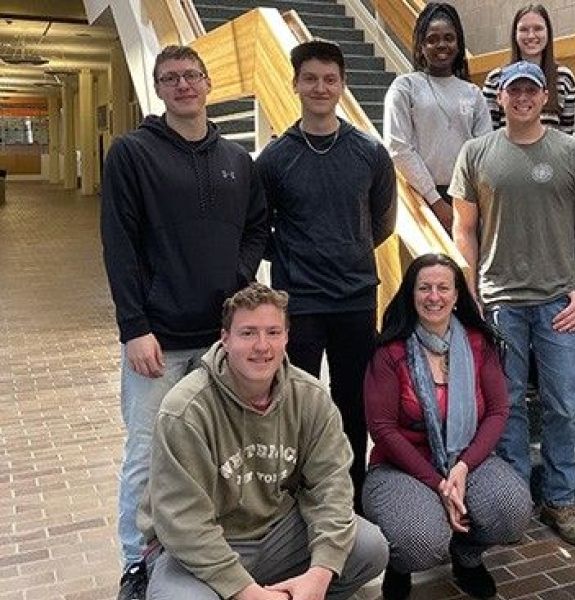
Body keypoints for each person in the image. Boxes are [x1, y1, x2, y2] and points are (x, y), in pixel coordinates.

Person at [100, 44, 268, 600]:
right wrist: (133, 326)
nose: (183, 85)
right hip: (160, 341)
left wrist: (238, 281)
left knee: (221, 453)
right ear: (159, 88)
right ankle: (137, 563)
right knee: (148, 455)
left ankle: (208, 550)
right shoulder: (132, 154)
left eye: (191, 76)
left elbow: (256, 227)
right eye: (170, 78)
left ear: (207, 83)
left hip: (221, 343)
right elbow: (119, 245)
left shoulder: (238, 160)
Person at [452, 61, 575, 547]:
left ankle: (561, 500)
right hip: (500, 303)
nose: (522, 98)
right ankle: (517, 498)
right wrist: (472, 287)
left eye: (531, 90)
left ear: (545, 96)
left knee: (564, 405)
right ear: (499, 98)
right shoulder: (477, 152)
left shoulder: (574, 152)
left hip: (558, 303)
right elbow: (464, 227)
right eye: (512, 90)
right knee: (506, 409)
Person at [138, 283, 389, 600]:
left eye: (273, 332)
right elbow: (183, 523)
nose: (262, 345)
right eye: (247, 333)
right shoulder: (185, 410)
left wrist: (319, 574)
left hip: (278, 533)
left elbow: (331, 489)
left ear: (286, 337)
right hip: (206, 544)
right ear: (225, 339)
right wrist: (247, 592)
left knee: (369, 547)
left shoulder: (311, 398)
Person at [256, 40, 397, 513]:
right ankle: (296, 499)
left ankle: (351, 499)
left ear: (342, 85)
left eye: (329, 79)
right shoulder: (275, 159)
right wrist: (298, 257)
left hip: (356, 299)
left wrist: (348, 251)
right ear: (295, 84)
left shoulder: (369, 153)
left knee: (352, 405)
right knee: (294, 406)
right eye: (311, 78)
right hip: (300, 303)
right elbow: (259, 228)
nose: (320, 87)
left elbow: (381, 223)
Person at [362, 254, 532, 600]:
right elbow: (382, 430)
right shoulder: (390, 352)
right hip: (402, 466)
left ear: (457, 296)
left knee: (512, 509)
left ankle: (467, 558)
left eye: (443, 288)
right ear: (411, 294)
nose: (434, 296)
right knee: (421, 539)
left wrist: (464, 468)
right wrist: (439, 482)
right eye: (424, 288)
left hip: (467, 458)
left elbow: (499, 411)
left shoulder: (477, 342)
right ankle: (401, 565)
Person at [383, 2, 491, 233]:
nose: (441, 44)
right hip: (420, 198)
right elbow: (398, 147)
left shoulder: (473, 93)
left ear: (459, 44)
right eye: (432, 39)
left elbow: (484, 151)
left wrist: (471, 202)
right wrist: (436, 201)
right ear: (421, 46)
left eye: (449, 38)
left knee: (468, 268)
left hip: (467, 200)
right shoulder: (405, 87)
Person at [481, 4, 575, 134]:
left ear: (548, 32)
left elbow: (567, 136)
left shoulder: (565, 78)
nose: (531, 35)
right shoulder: (495, 79)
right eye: (524, 29)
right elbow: (489, 133)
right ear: (515, 34)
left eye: (538, 28)